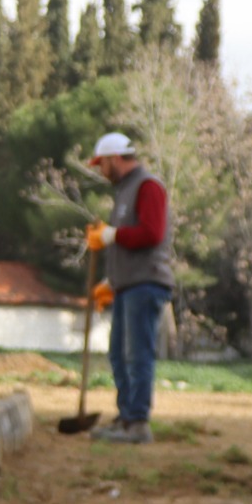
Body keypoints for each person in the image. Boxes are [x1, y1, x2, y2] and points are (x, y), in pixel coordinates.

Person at [83, 131, 173, 443]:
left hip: (146, 284)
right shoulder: (124, 191)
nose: (99, 170)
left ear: (113, 158)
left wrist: (112, 236)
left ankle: (138, 425)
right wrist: (111, 281)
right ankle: (125, 418)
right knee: (119, 355)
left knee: (137, 355)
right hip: (128, 285)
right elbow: (129, 242)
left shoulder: (148, 186)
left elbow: (151, 233)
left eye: (101, 164)